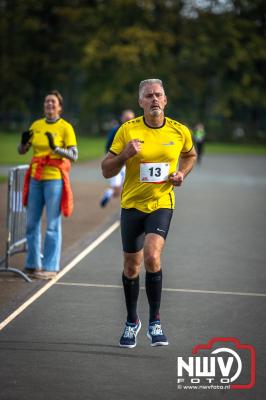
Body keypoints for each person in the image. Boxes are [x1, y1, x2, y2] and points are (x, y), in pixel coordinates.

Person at [101, 79, 197, 348]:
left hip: (161, 203)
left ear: (165, 100)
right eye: (149, 96)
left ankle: (155, 321)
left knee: (152, 256)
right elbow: (106, 169)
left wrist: (181, 174)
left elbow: (190, 156)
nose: (154, 99)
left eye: (159, 95)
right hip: (131, 206)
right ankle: (132, 322)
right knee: (131, 267)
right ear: (140, 102)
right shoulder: (127, 131)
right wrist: (124, 156)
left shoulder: (180, 131)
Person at [18, 90, 78, 280]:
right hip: (36, 176)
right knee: (31, 223)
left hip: (54, 178)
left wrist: (56, 149)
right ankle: (32, 264)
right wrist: (23, 144)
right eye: (46, 102)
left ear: (59, 107)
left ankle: (51, 266)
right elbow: (23, 151)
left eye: (53, 102)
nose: (49, 104)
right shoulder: (36, 125)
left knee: (52, 224)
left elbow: (74, 156)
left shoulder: (65, 127)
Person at [100, 109, 135, 207]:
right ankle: (110, 195)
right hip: (118, 162)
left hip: (130, 164)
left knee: (122, 189)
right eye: (127, 118)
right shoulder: (116, 130)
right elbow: (108, 145)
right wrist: (110, 159)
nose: (129, 120)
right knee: (117, 188)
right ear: (122, 118)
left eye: (131, 118)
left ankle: (110, 193)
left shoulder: (136, 131)